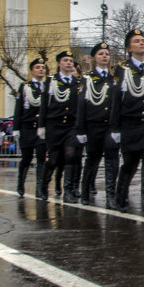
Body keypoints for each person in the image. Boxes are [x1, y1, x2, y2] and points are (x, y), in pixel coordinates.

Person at [111, 29, 144, 214]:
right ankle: (120, 197)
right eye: (137, 41)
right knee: (130, 163)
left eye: (143, 40)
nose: (142, 43)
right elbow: (116, 100)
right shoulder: (122, 69)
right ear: (129, 47)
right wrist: (115, 127)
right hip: (130, 123)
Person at [75, 42, 120, 207]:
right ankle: (85, 191)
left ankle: (111, 196)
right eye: (101, 54)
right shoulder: (87, 79)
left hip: (110, 125)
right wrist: (80, 129)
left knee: (112, 162)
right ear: (94, 57)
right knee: (92, 161)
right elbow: (81, 105)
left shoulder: (114, 78)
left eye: (107, 54)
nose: (104, 56)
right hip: (94, 125)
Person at [37, 51, 81, 201]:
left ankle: (67, 191)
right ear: (59, 64)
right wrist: (41, 126)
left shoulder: (77, 83)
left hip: (70, 125)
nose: (69, 63)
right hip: (54, 125)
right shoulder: (51, 81)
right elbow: (44, 105)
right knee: (53, 159)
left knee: (70, 155)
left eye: (70, 60)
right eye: (65, 60)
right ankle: (43, 185)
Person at [12, 58, 48, 197]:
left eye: (43, 67)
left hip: (41, 129)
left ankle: (40, 187)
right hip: (27, 127)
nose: (41, 70)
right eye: (38, 67)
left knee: (41, 158)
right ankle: (20, 183)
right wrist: (16, 128)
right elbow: (18, 109)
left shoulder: (47, 86)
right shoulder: (25, 87)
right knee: (26, 158)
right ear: (32, 70)